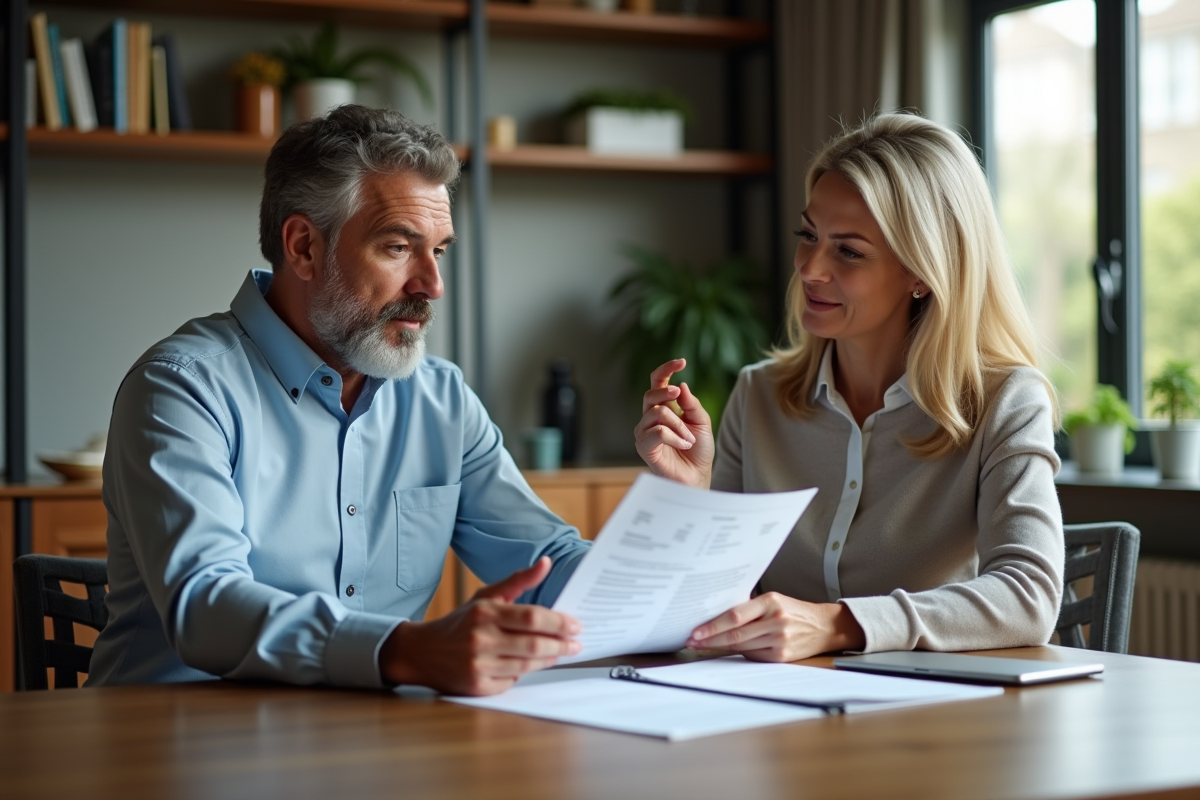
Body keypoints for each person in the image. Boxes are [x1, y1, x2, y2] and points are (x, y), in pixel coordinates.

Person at [88, 106, 588, 696]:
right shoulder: (180, 388)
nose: (432, 285)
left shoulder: (442, 398)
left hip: (372, 744)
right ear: (303, 247)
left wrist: (697, 595)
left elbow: (548, 559)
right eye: (399, 247)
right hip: (172, 750)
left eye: (441, 251)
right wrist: (405, 649)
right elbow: (206, 605)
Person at [634, 112, 1064, 662]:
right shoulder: (758, 396)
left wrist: (837, 625)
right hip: (772, 717)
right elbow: (709, 612)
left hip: (932, 723)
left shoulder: (1006, 400)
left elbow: (1030, 596)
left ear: (922, 273)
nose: (810, 267)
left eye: (849, 250)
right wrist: (692, 496)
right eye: (808, 235)